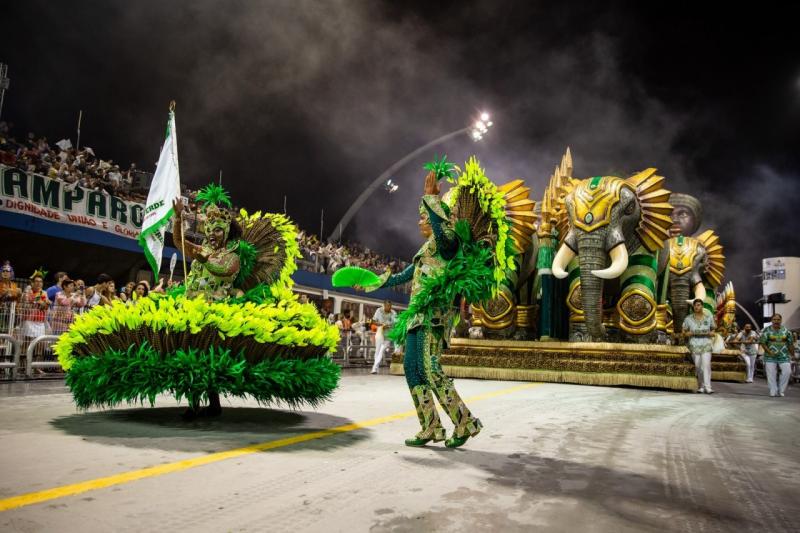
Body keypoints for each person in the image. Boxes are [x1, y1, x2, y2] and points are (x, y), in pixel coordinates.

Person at [364, 170, 482, 448]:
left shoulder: (449, 240)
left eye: (423, 216)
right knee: (412, 367)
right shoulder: (426, 248)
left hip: (434, 313)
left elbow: (443, 238)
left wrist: (431, 198)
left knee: (429, 368)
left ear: (435, 216)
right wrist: (370, 283)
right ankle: (431, 427)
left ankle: (464, 420)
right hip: (417, 314)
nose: (419, 221)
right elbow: (402, 276)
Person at [682, 298, 716, 394]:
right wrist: (686, 334)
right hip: (694, 345)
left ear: (702, 306)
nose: (697, 307)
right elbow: (683, 332)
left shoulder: (708, 317)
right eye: (695, 305)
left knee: (706, 365)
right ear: (693, 307)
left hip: (706, 344)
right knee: (698, 366)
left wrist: (711, 333)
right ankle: (701, 386)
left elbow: (713, 329)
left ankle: (708, 387)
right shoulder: (688, 319)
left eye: (698, 305)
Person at [758, 313, 795, 397]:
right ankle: (773, 390)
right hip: (770, 356)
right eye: (774, 319)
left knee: (787, 372)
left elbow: (790, 344)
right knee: (771, 374)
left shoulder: (786, 331)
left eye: (778, 319)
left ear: (781, 320)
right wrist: (769, 352)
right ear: (772, 320)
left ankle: (781, 390)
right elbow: (763, 343)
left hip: (784, 356)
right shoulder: (766, 330)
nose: (776, 321)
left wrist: (793, 355)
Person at [371, 300, 397, 374]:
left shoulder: (393, 313)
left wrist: (391, 325)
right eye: (388, 306)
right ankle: (375, 367)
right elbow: (373, 321)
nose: (389, 308)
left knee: (382, 350)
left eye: (390, 306)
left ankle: (374, 367)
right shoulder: (378, 311)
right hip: (380, 333)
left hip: (389, 335)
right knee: (377, 351)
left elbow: (396, 323)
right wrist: (381, 325)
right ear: (384, 305)